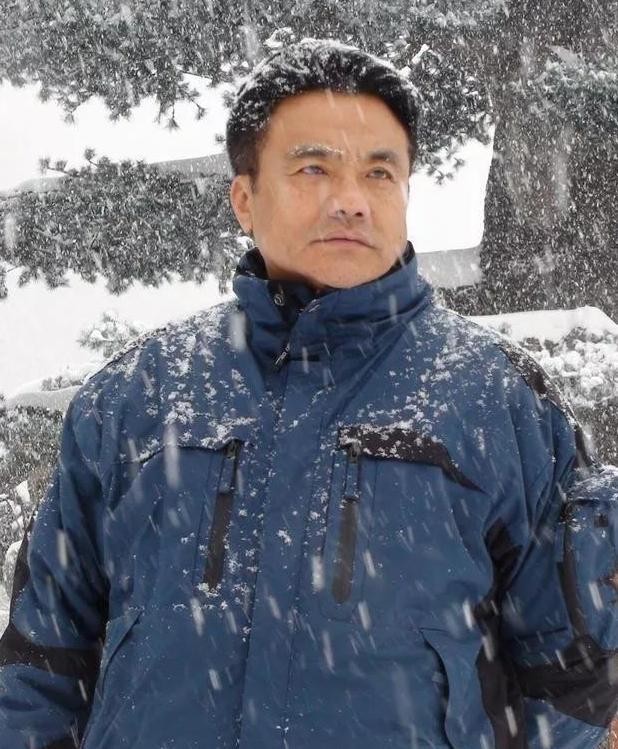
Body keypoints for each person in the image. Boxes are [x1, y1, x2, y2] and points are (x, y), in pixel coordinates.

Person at [0, 38, 616, 749]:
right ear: (244, 197)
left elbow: (570, 687)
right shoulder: (135, 397)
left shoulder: (500, 401)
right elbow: (41, 665)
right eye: (313, 168)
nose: (350, 201)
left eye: (379, 173)